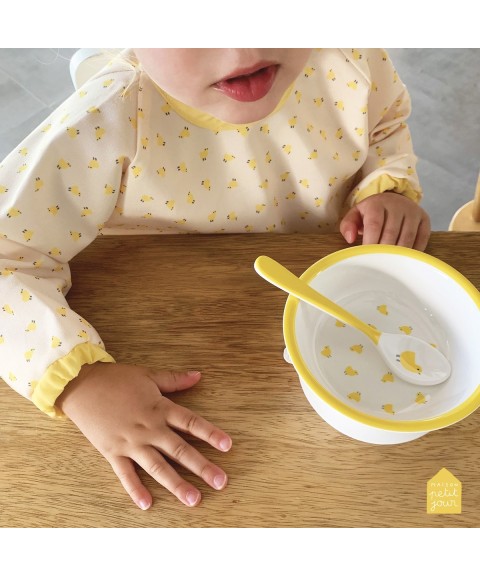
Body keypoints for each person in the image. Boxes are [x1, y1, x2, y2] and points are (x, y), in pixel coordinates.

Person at [0, 48, 430, 510]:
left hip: (333, 311)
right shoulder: (107, 119)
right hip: (184, 348)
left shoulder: (350, 52)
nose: (243, 48)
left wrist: (387, 185)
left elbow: (385, 125)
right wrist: (77, 379)